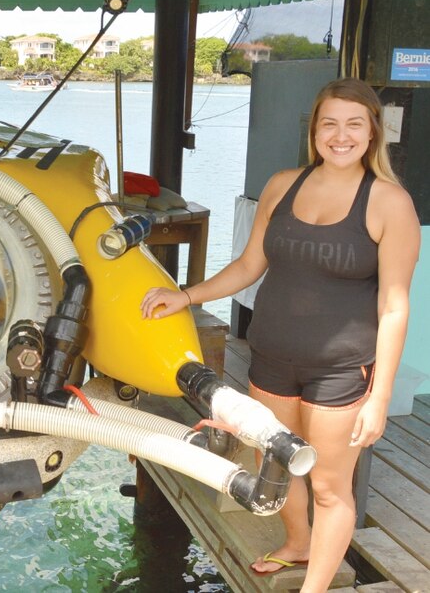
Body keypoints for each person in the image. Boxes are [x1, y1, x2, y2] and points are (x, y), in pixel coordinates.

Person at [140, 77, 419, 592]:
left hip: (341, 370)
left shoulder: (389, 203)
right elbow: (249, 265)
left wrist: (379, 397)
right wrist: (187, 295)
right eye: (329, 123)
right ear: (313, 131)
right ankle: (298, 543)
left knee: (331, 487)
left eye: (354, 124)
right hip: (271, 358)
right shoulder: (282, 184)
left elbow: (395, 306)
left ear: (373, 132)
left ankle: (313, 587)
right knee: (278, 460)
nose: (341, 135)